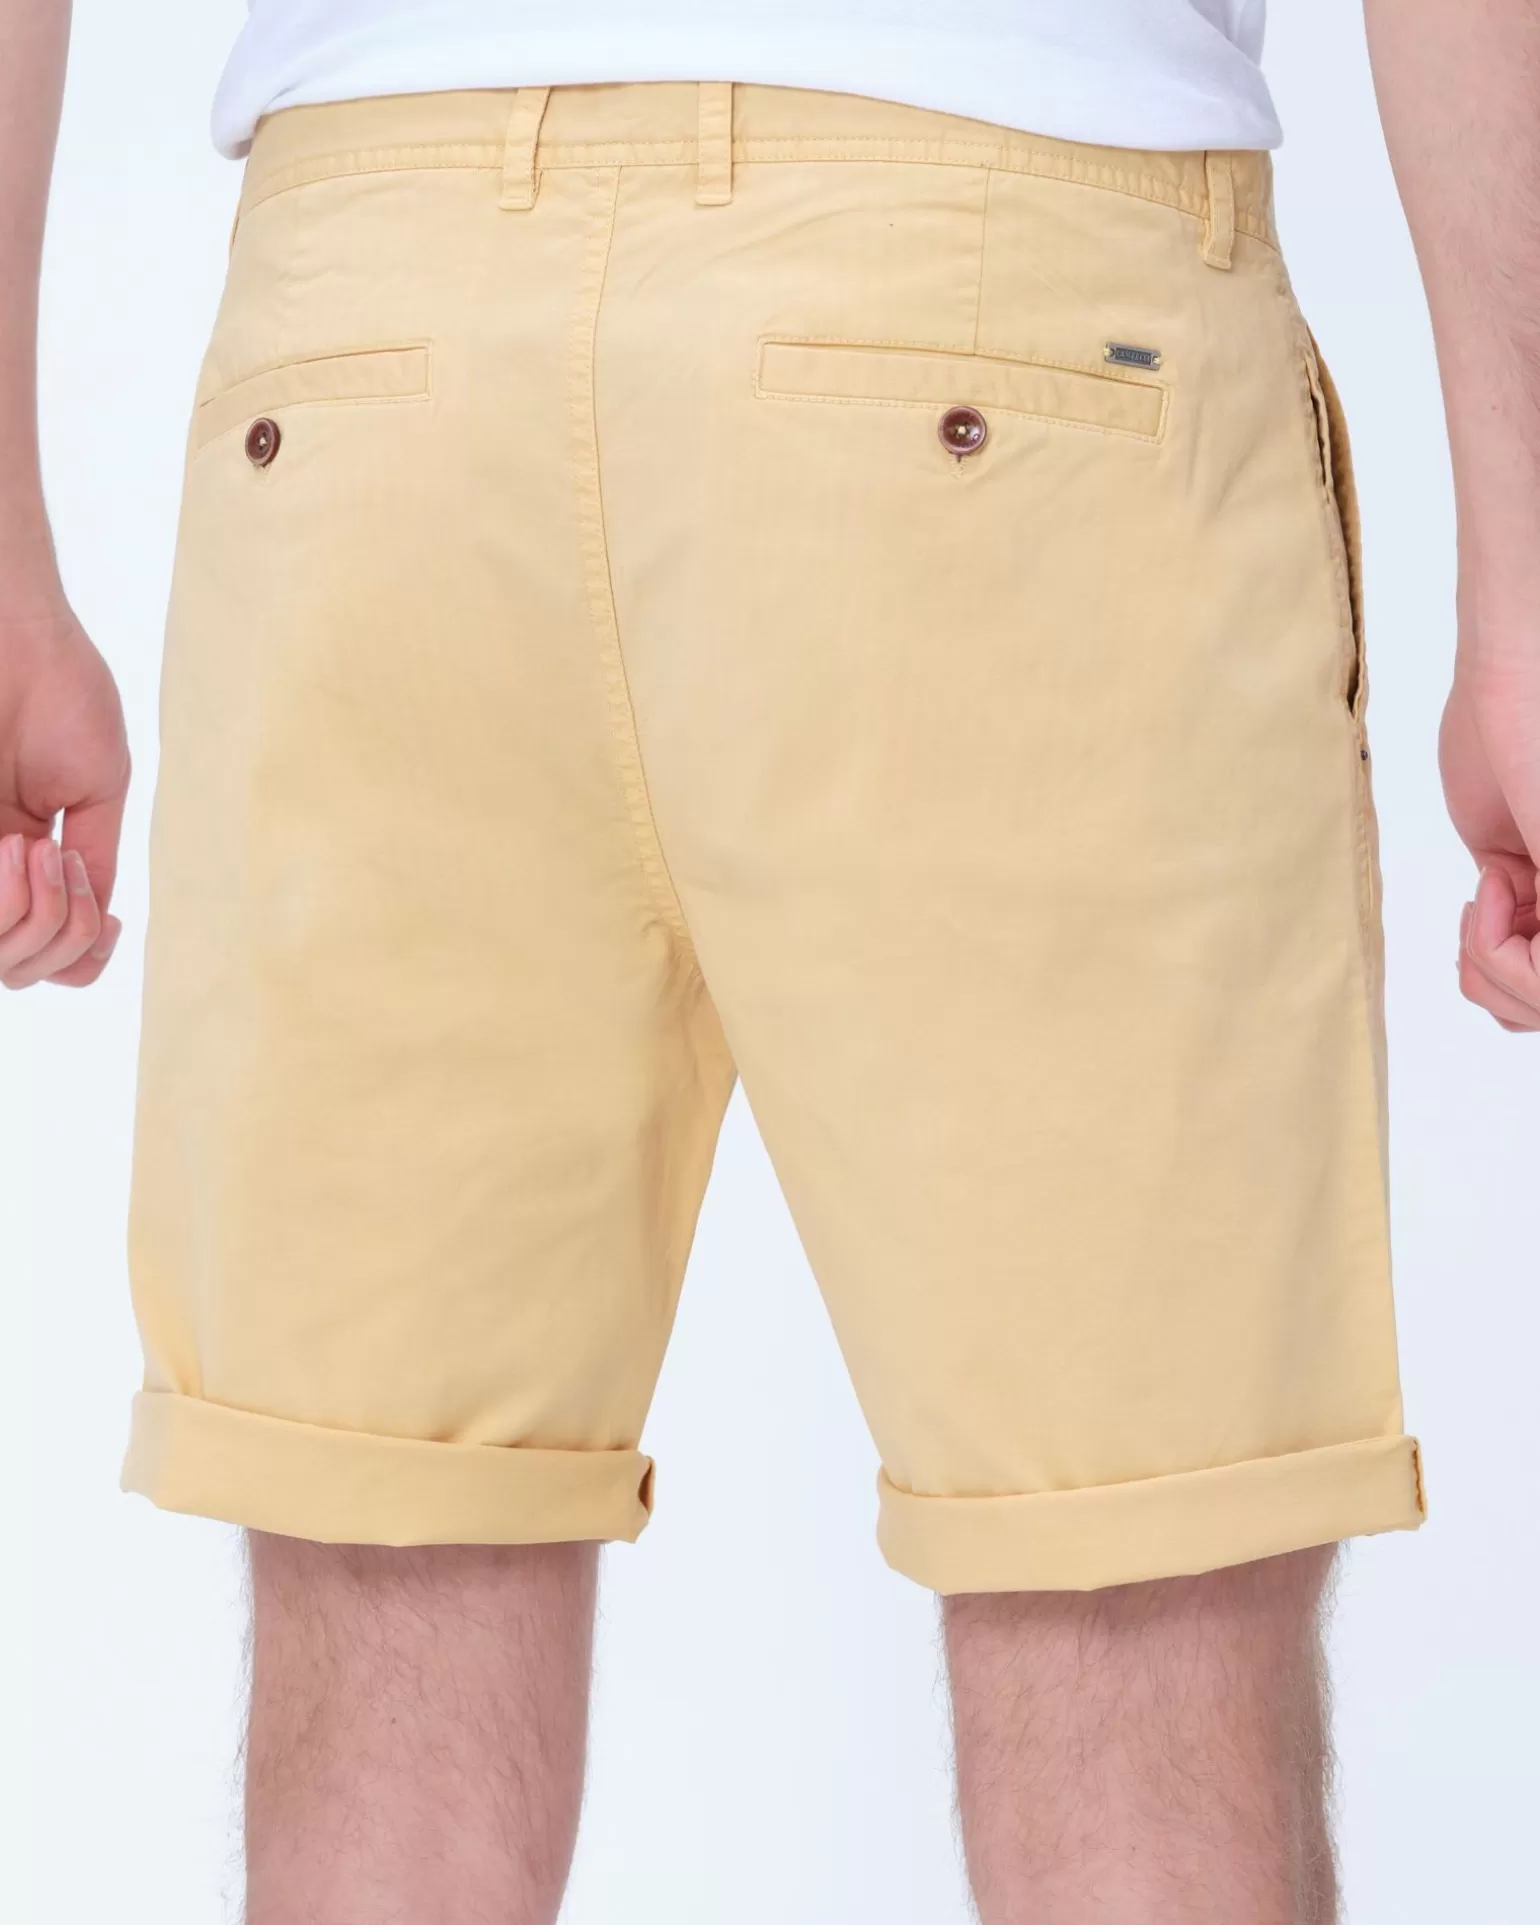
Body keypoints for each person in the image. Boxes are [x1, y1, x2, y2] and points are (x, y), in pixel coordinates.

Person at [2, 3, 1535, 1920]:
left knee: (391, 1601)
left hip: (369, 345)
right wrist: (1526, 582)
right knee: (1128, 1616)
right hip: (1004, 294)